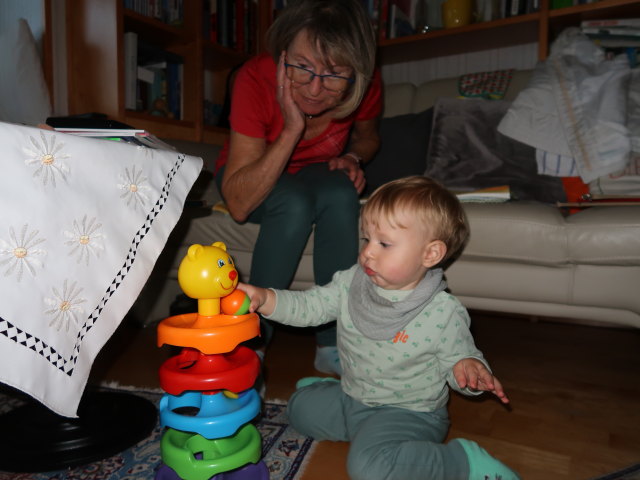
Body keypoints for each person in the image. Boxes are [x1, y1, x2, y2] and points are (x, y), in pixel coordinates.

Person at [238, 176, 521, 480]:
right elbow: (310, 307)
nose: (368, 252)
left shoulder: (443, 312)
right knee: (299, 411)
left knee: (369, 469)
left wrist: (469, 368)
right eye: (367, 239)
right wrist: (265, 298)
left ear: (430, 254)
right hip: (353, 396)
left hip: (409, 414)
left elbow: (459, 358)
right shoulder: (351, 282)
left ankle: (462, 462)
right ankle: (327, 395)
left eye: (384, 243)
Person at [214, 0, 382, 375]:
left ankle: (332, 342)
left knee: (341, 193)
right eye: (302, 68)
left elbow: (369, 138)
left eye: (335, 74)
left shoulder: (366, 82)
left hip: (315, 175)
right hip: (252, 175)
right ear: (284, 55)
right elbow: (240, 203)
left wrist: (353, 158)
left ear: (356, 72)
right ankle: (251, 344)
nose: (314, 88)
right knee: (293, 202)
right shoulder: (255, 78)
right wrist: (293, 129)